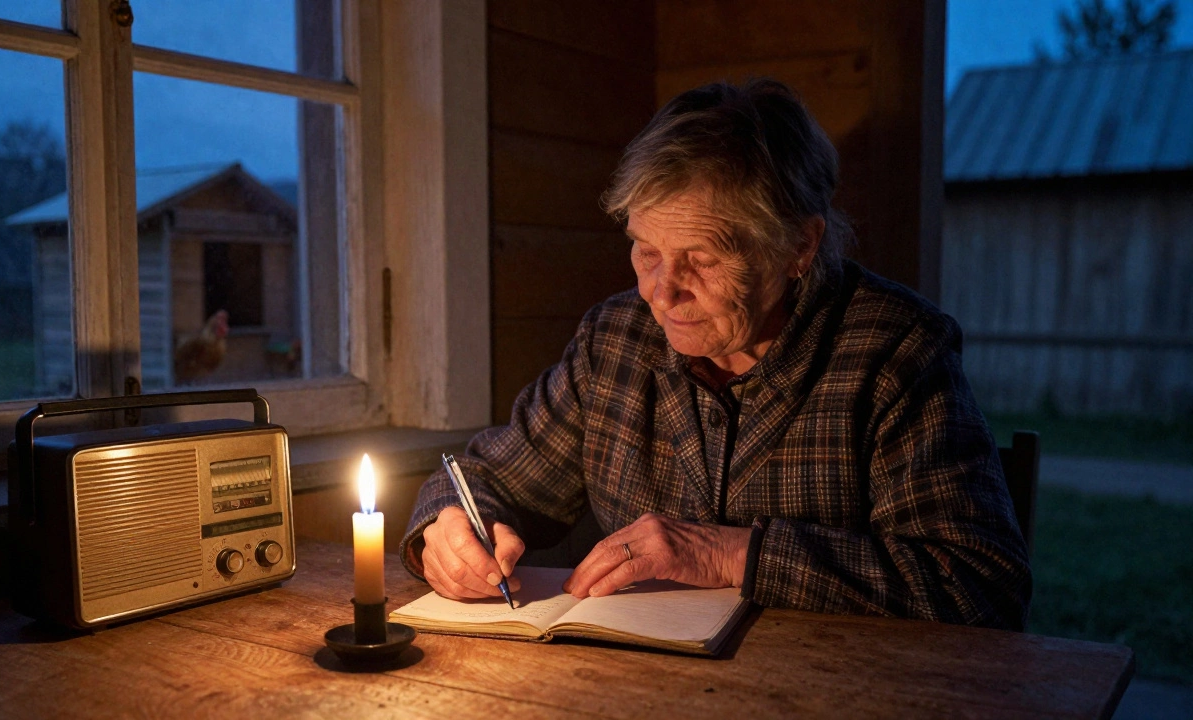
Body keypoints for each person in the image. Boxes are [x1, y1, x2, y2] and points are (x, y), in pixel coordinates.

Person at [399, 78, 1031, 630]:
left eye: (701, 258)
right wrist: (446, 530)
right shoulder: (614, 342)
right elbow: (484, 480)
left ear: (798, 248)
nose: (660, 291)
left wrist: (732, 554)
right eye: (646, 249)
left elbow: (978, 586)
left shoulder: (894, 352)